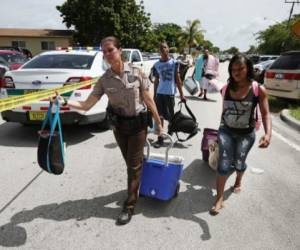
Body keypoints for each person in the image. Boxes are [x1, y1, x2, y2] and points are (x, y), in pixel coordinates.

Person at [53, 36, 163, 225]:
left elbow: (148, 99)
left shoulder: (137, 73)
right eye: (104, 51)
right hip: (119, 128)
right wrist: (64, 102)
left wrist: (158, 122)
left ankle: (129, 206)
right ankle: (137, 184)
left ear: (120, 50)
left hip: (138, 126)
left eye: (110, 50)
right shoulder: (104, 80)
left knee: (132, 166)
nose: (107, 54)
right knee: (131, 161)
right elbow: (87, 105)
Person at [210, 54, 272, 215]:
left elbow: (265, 114)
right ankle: (219, 199)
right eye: (233, 69)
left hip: (246, 134)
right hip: (226, 131)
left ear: (248, 69)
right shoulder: (226, 88)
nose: (236, 72)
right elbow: (224, 110)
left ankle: (238, 179)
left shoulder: (259, 89)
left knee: (239, 162)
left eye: (240, 69)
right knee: (223, 164)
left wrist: (268, 134)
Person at [152, 42, 186, 148]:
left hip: (170, 94)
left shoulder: (174, 63)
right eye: (161, 48)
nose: (163, 49)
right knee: (159, 117)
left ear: (168, 49)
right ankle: (160, 138)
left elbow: (178, 79)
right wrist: (154, 95)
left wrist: (182, 95)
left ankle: (170, 133)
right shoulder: (157, 65)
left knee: (170, 117)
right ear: (159, 51)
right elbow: (156, 81)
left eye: (165, 47)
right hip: (160, 94)